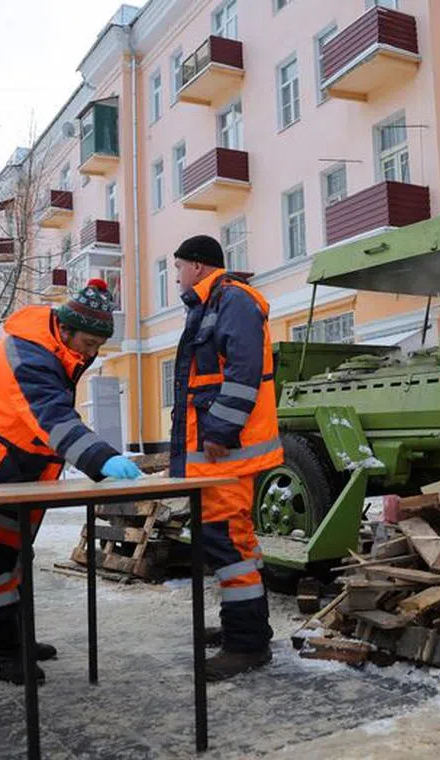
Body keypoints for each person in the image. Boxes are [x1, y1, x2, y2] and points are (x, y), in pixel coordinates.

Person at [0, 279, 142, 685]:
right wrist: (104, 459)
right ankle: (8, 656)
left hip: (11, 476)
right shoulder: (30, 355)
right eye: (88, 342)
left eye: (98, 344)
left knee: (15, 560)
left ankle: (19, 639)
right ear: (66, 329)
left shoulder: (54, 347)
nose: (92, 353)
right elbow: (52, 418)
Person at [169, 234, 283, 681]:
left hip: (225, 452)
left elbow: (242, 372)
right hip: (218, 455)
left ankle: (247, 645)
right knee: (235, 542)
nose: (176, 276)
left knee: (228, 545)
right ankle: (250, 625)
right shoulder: (212, 303)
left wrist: (219, 429)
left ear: (197, 266)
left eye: (178, 267)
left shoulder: (231, 300)